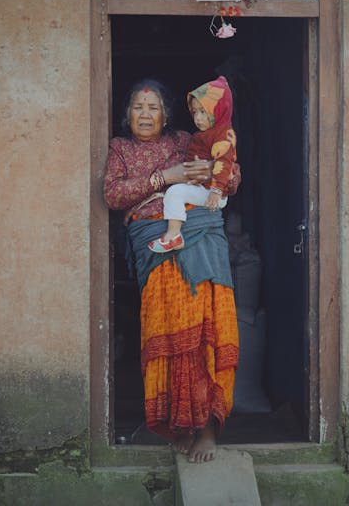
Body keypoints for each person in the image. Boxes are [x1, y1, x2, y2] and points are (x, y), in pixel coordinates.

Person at [103, 78, 239, 463]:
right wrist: (167, 178)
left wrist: (207, 175)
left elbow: (233, 172)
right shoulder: (120, 149)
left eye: (153, 107)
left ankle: (208, 429)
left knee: (204, 334)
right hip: (155, 246)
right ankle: (183, 425)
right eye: (137, 107)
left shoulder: (186, 140)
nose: (145, 114)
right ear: (126, 114)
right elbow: (112, 194)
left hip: (201, 238)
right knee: (172, 333)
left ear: (166, 115)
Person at [148, 75, 238, 253]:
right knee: (176, 192)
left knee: (174, 193)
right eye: (195, 112)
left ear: (219, 110)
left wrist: (216, 190)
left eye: (203, 112)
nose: (197, 117)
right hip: (207, 189)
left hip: (212, 193)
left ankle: (173, 236)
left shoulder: (222, 135)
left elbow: (225, 163)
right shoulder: (207, 133)